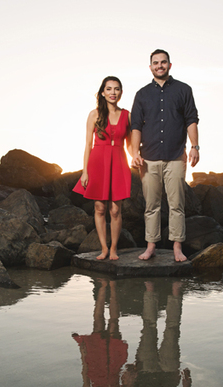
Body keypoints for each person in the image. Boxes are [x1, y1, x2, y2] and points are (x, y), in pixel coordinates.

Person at [131, 49, 200, 262]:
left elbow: (191, 119)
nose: (159, 66)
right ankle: (150, 246)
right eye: (155, 63)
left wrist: (195, 146)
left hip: (176, 156)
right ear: (150, 67)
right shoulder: (142, 95)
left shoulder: (183, 90)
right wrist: (134, 152)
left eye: (163, 62)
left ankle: (177, 248)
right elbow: (135, 126)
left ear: (169, 65)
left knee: (176, 204)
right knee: (151, 205)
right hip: (149, 158)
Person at [73, 76, 132, 260]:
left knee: (115, 210)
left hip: (119, 161)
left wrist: (138, 156)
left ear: (121, 92)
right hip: (97, 163)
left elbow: (129, 145)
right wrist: (85, 171)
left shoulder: (127, 115)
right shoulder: (94, 114)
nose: (113, 92)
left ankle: (114, 248)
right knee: (99, 208)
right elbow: (87, 145)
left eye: (116, 89)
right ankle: (104, 248)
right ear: (103, 92)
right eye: (109, 89)